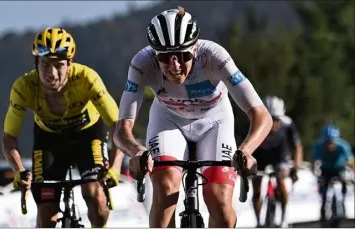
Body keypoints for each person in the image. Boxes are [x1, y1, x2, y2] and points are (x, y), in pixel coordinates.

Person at [113, 7, 272, 228]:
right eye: (166, 57)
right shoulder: (142, 63)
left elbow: (261, 115)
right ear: (154, 54)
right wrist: (136, 151)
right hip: (168, 121)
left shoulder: (215, 56)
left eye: (183, 56)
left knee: (220, 205)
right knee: (166, 190)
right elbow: (121, 130)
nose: (175, 65)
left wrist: (246, 150)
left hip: (215, 121)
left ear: (195, 49)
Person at [1, 27, 124, 228]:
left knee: (95, 197)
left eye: (59, 65)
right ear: (36, 64)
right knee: (46, 209)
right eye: (45, 65)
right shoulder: (24, 87)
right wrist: (18, 170)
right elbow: (9, 137)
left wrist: (116, 168)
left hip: (88, 137)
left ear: (69, 64)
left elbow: (119, 126)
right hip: (49, 142)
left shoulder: (87, 79)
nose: (52, 73)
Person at [251, 96, 303, 228]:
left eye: (276, 119)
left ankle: (284, 216)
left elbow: (297, 146)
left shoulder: (288, 124)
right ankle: (258, 222)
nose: (272, 123)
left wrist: (296, 166)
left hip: (280, 154)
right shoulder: (255, 122)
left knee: (281, 183)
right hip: (260, 155)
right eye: (269, 118)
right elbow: (248, 146)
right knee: (256, 189)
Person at [312, 124, 354, 223]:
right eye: (328, 142)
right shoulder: (319, 146)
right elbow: (314, 162)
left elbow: (351, 159)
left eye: (332, 142)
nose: (330, 145)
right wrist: (315, 173)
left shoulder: (343, 145)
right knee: (324, 190)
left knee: (343, 183)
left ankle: (341, 204)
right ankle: (323, 210)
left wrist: (352, 170)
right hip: (325, 170)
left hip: (339, 169)